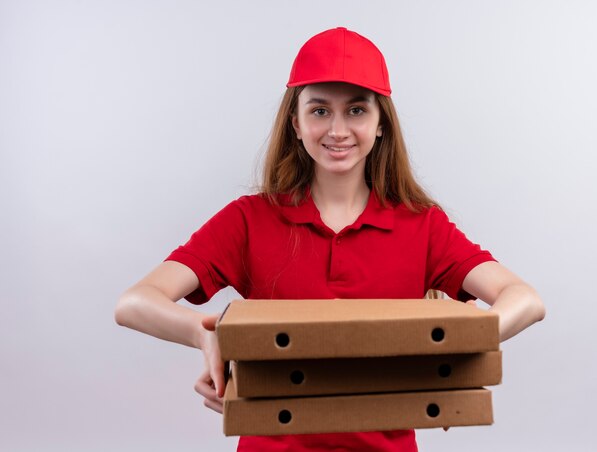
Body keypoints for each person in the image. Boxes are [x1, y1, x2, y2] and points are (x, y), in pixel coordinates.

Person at [115, 27, 545, 452]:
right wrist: (205, 335)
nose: (338, 130)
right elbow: (135, 303)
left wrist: (456, 342)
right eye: (320, 111)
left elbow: (524, 299)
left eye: (356, 111)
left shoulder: (422, 225)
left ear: (381, 125)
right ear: (296, 124)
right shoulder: (249, 220)